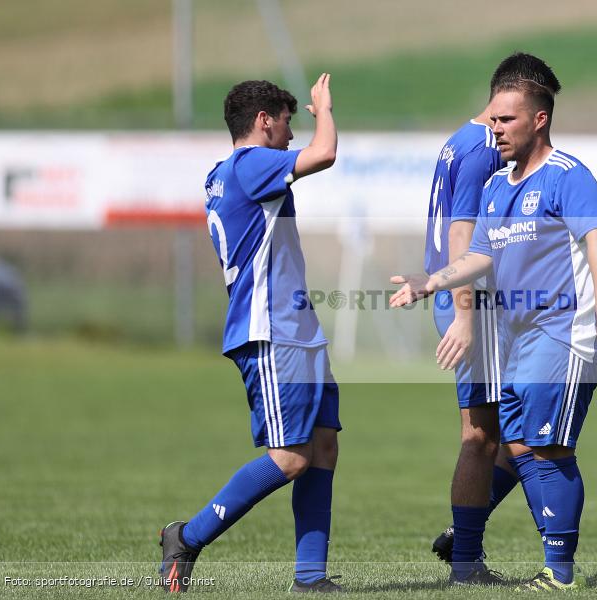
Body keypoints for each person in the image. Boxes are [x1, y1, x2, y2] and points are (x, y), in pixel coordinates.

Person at [391, 55, 597, 591]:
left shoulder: (568, 176)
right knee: (518, 445)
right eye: (493, 120)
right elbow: (479, 256)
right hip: (517, 338)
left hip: (562, 331)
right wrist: (431, 283)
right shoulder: (497, 186)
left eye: (506, 120)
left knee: (545, 449)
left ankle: (559, 572)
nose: (494, 129)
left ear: (539, 120)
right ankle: (490, 548)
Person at [159, 76, 342, 594]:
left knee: (322, 446)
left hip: (295, 329)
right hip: (271, 331)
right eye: (288, 121)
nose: (292, 132)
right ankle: (186, 536)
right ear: (264, 120)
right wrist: (326, 108)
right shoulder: (249, 164)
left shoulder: (224, 174)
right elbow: (324, 154)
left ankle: (310, 578)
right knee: (291, 457)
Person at [425, 53, 569, 586]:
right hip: (474, 304)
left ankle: (463, 542)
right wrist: (465, 316)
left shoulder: (460, 139)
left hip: (479, 303)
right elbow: (462, 235)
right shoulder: (486, 146)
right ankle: (467, 561)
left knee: (512, 429)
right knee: (486, 436)